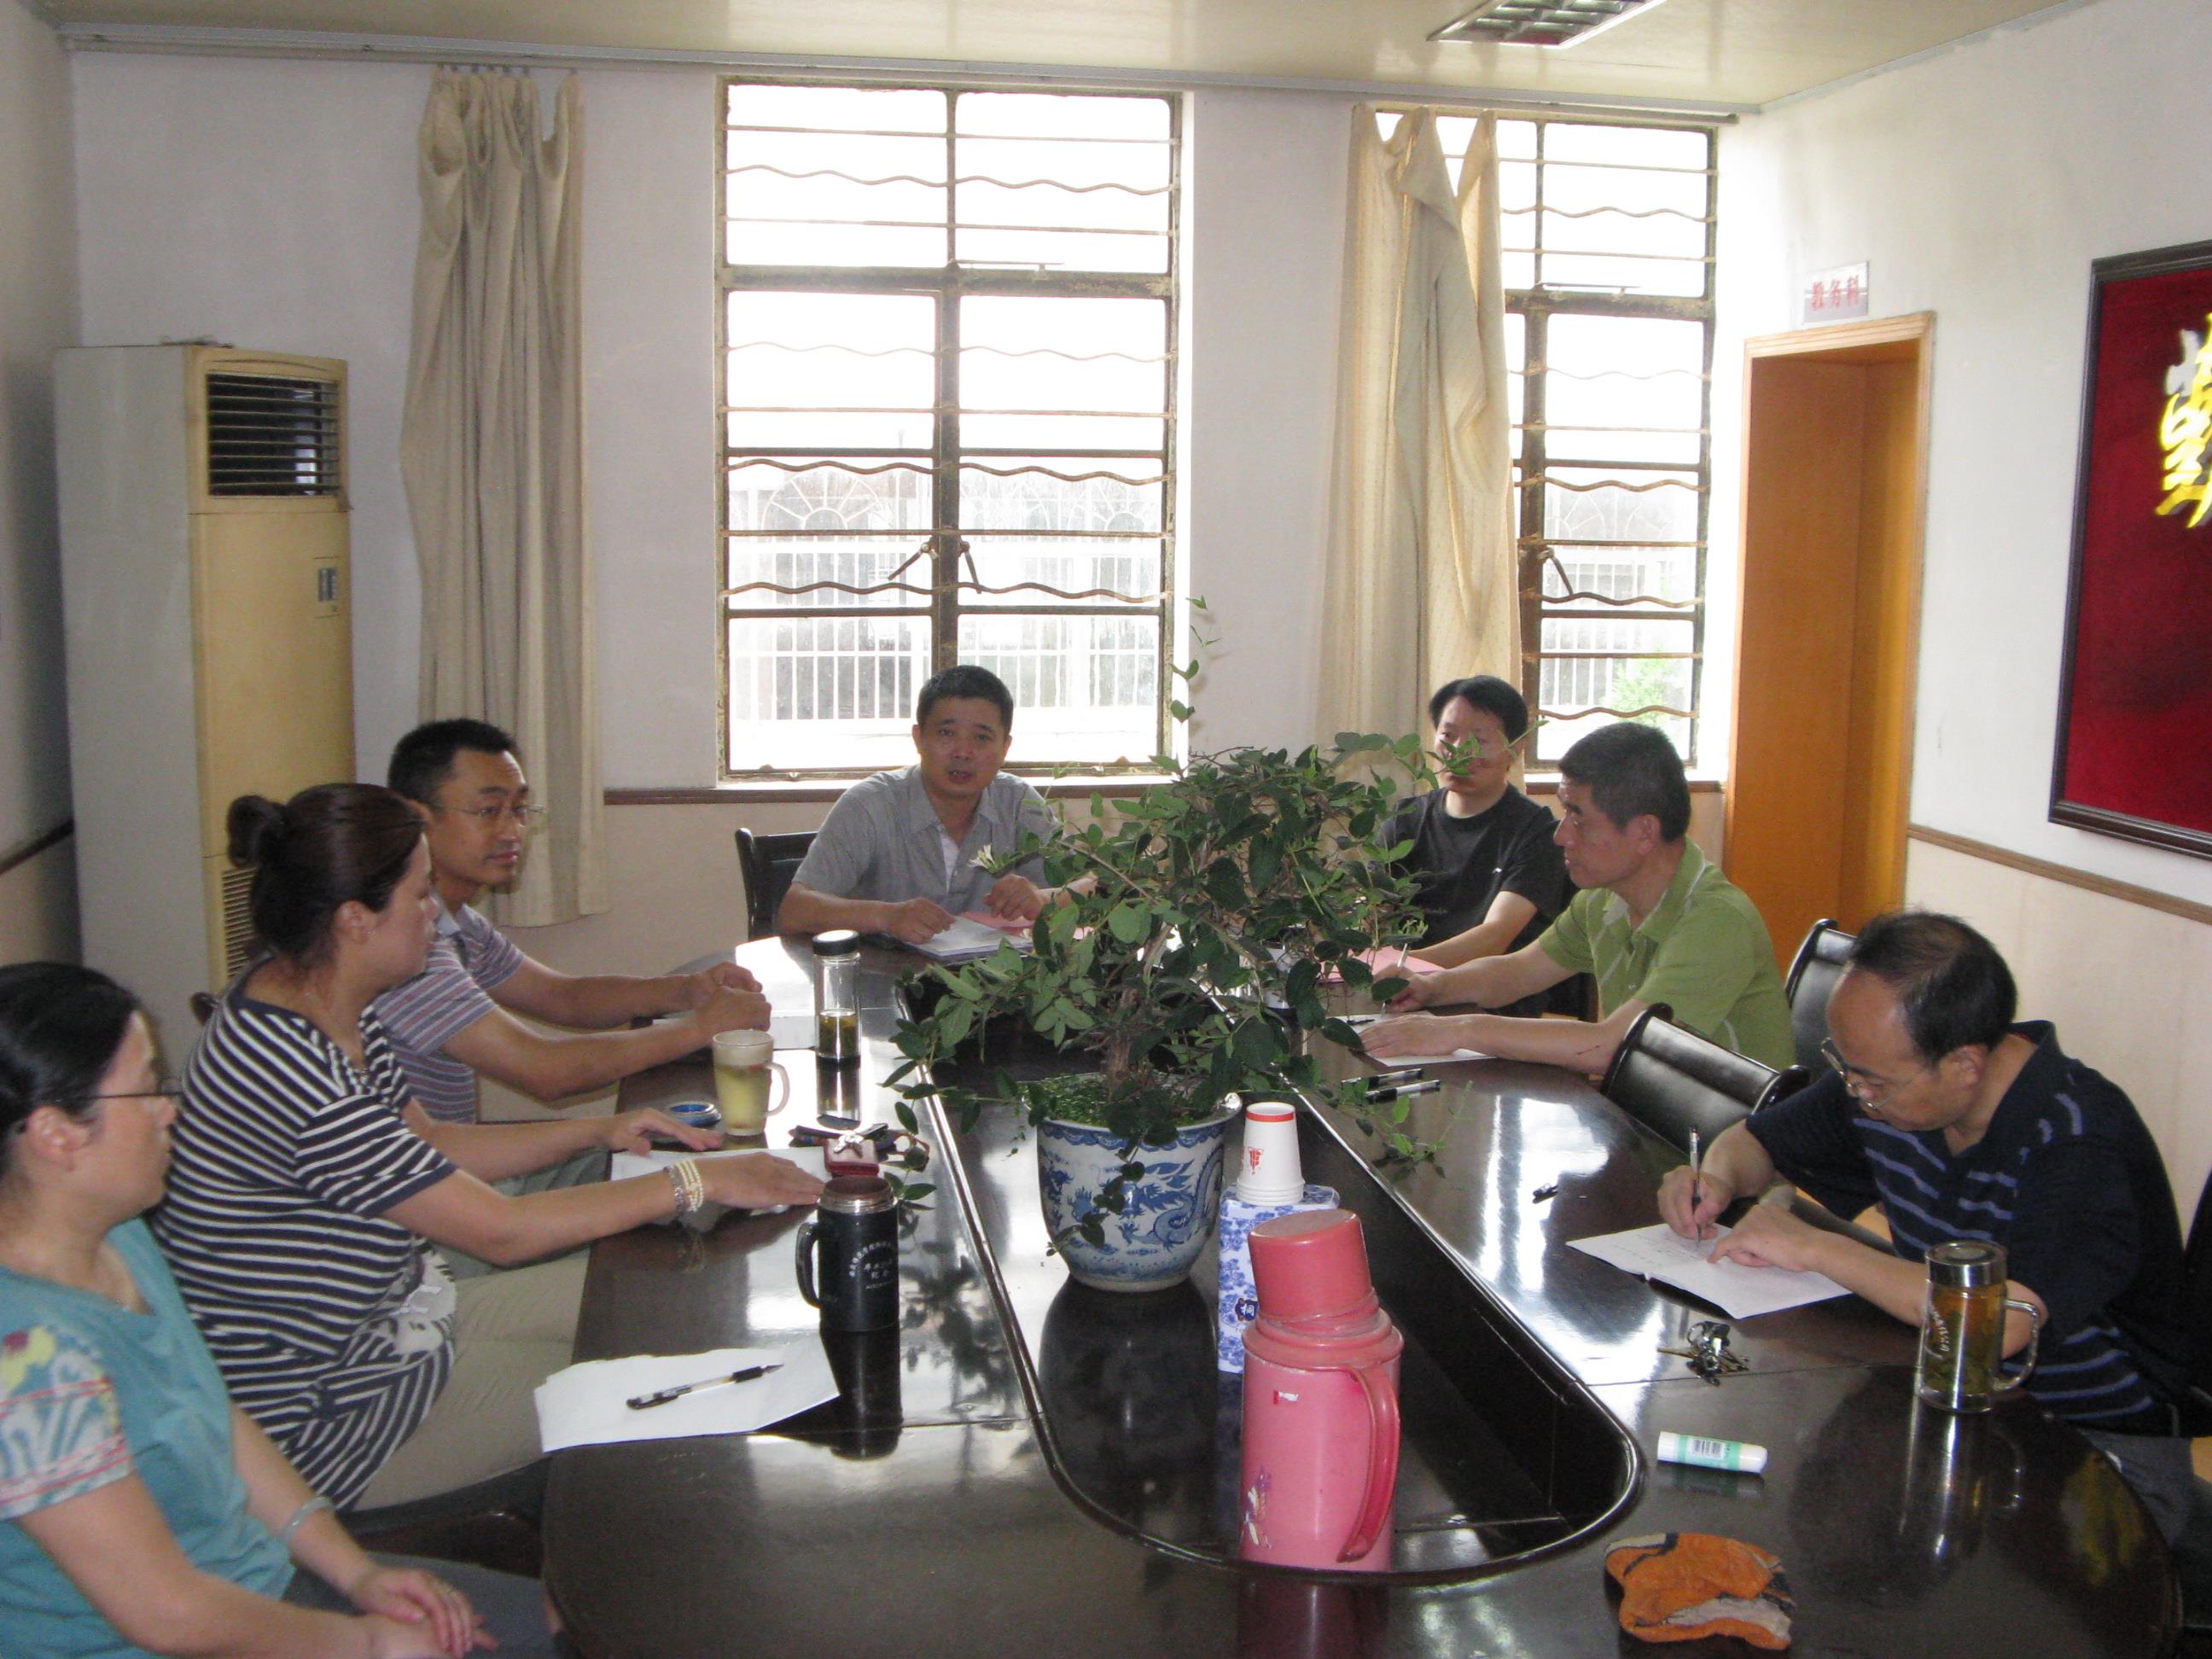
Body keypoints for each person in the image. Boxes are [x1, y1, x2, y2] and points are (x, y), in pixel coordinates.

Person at [152, 784, 823, 1515]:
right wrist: (699, 1179)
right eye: (418, 895)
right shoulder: (289, 1067)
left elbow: (431, 1142)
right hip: (335, 1418)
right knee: (671, 1399)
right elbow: (501, 1233)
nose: (434, 913)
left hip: (401, 1322)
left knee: (669, 1305)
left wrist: (596, 1131)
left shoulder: (323, 999)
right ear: (353, 919)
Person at [0, 960, 555, 1659]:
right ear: (57, 1133)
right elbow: (168, 1614)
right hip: (183, 1640)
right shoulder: (30, 1362)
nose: (170, 1109)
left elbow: (220, 1419)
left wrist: (356, 1574)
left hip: (260, 1589)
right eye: (146, 1089)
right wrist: (367, 1644)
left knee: (562, 1622)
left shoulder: (121, 1237)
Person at [1656, 911, 2200, 1542]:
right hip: (1955, 1408)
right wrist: (1716, 1179)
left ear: (1965, 1064)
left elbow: (1992, 1328)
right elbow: (1756, 1142)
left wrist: (1817, 1247)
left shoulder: (2079, 1140)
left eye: (1872, 1081)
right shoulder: (1887, 1091)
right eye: (1847, 1069)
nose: (1856, 1094)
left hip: (2096, 1460)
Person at [372, 718, 771, 1130]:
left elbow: (563, 996)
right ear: (418, 819)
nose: (512, 831)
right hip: (430, 1168)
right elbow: (545, 1071)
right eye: (488, 811)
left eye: (519, 810)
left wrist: (686, 991)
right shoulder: (405, 948)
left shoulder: (459, 922)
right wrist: (703, 1028)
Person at [1365, 721, 1793, 1072]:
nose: (1560, 836)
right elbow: (1518, 973)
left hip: (1719, 1144)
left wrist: (1459, 1030)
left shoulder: (1716, 920)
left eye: (1578, 817)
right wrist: (1432, 987)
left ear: (1644, 832)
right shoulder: (1603, 900)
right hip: (1649, 1116)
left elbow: (1614, 1046)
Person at [778, 664, 1081, 943]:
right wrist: (887, 916)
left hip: (994, 979)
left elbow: (1098, 883)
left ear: (1005, 747)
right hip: (882, 976)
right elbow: (794, 911)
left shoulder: (1017, 802)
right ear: (919, 738)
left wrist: (1044, 899)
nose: (963, 752)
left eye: (981, 738)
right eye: (947, 733)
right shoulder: (869, 805)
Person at [1378, 675, 1571, 1016]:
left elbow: (1495, 936)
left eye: (1480, 740)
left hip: (1491, 1004)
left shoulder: (1538, 832)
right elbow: (1371, 914)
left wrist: (1401, 969)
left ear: (1516, 749)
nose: (1459, 751)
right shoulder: (1405, 821)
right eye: (1448, 736)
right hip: (1399, 998)